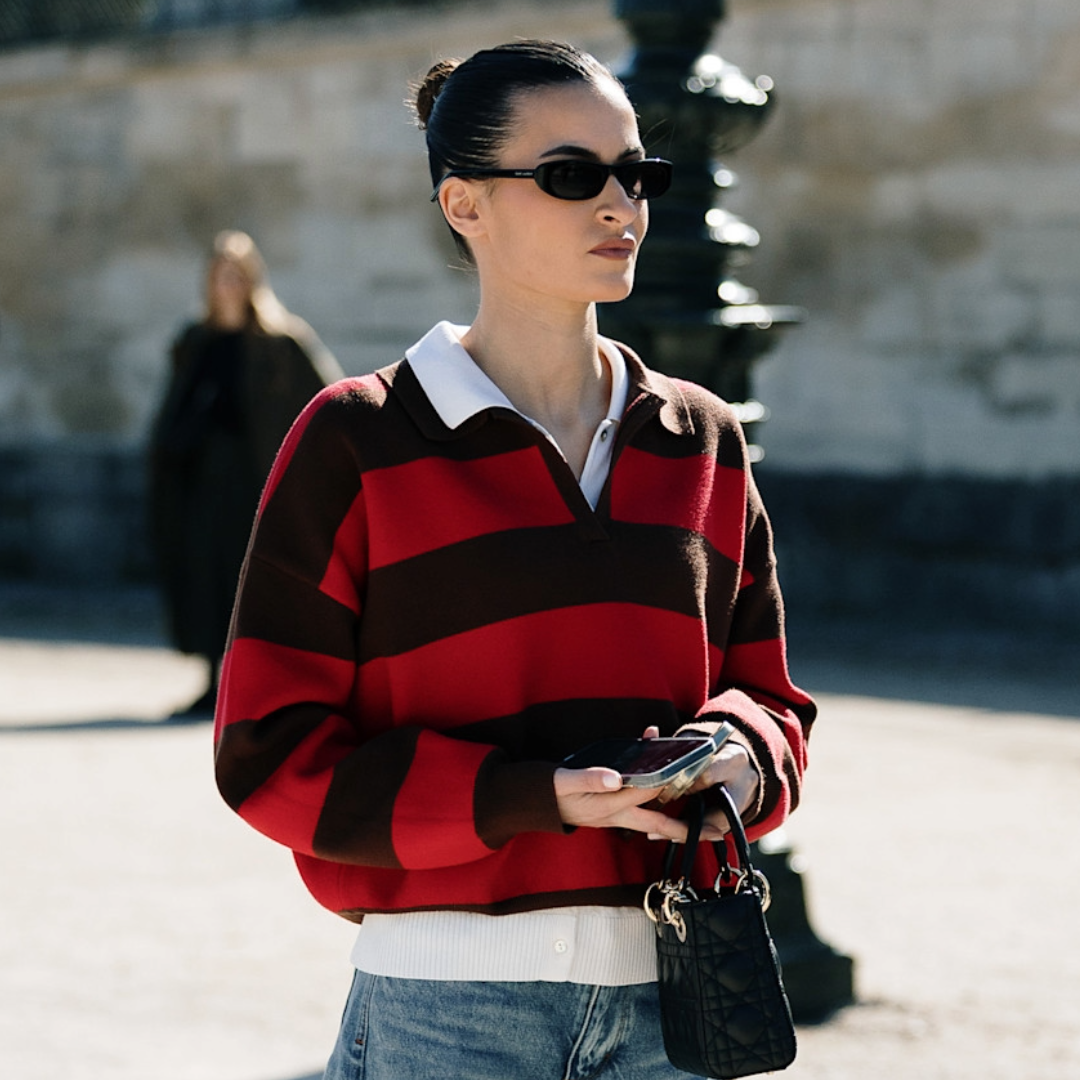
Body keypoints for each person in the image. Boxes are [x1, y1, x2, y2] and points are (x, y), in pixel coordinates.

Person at [213, 41, 816, 1080]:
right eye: (572, 176)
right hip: (446, 1014)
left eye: (637, 173)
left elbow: (773, 704)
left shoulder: (702, 439)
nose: (621, 204)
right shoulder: (355, 442)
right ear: (464, 204)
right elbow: (268, 756)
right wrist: (530, 794)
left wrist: (736, 756)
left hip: (677, 1005)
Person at [148, 230, 342, 716]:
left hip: (257, 481)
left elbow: (329, 403)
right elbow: (174, 410)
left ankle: (257, 687)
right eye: (220, 276)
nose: (228, 286)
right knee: (207, 577)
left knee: (254, 580)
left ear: (252, 280)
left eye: (237, 276)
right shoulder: (196, 341)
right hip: (204, 481)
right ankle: (214, 680)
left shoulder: (280, 341)